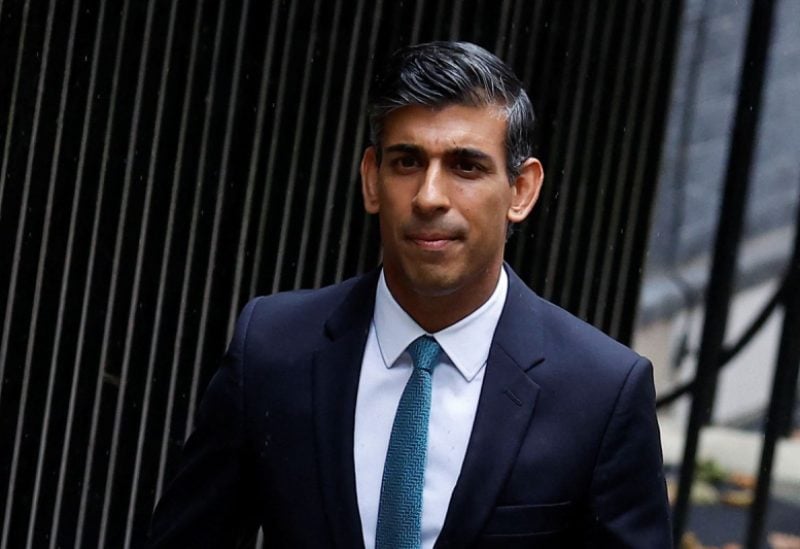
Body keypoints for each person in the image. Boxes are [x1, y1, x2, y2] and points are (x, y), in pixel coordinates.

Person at [146, 41, 671, 548]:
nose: (429, 197)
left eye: (466, 166)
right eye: (407, 162)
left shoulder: (601, 393)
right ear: (372, 180)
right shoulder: (273, 349)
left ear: (522, 191)